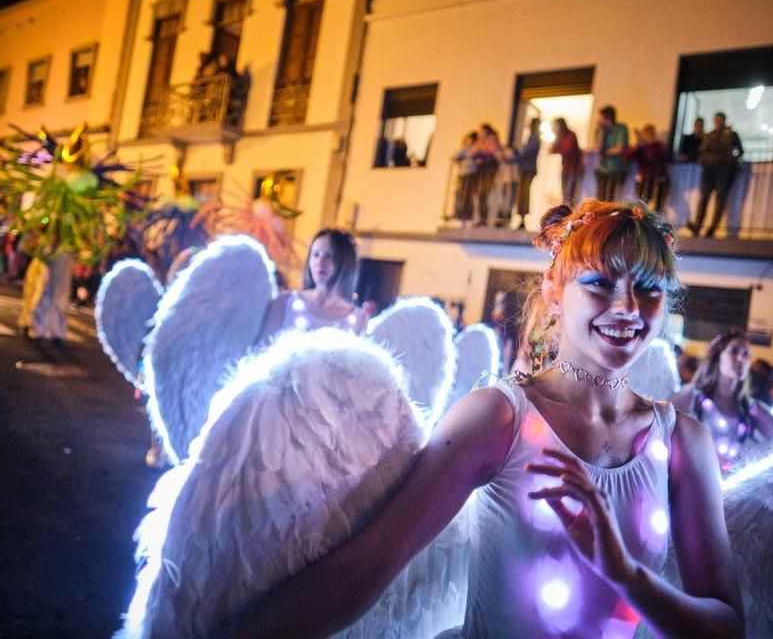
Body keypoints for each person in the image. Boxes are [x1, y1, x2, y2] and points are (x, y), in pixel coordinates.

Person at [238, 200, 744, 638]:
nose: (628, 307)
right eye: (601, 282)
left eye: (650, 287)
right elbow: (364, 568)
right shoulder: (499, 418)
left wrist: (627, 575)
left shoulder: (682, 443)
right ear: (554, 291)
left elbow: (726, 627)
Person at [672, 328, 773, 473]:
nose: (741, 358)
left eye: (746, 354)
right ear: (717, 356)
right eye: (734, 351)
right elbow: (661, 428)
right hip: (693, 481)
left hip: (733, 487)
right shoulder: (692, 396)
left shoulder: (750, 407)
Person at [257, 228, 371, 342]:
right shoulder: (285, 302)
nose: (320, 262)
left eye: (329, 256)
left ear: (345, 261)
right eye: (315, 255)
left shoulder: (358, 318)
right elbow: (262, 349)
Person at [689, 112, 743, 237]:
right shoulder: (710, 135)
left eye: (720, 120)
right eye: (716, 120)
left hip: (724, 169)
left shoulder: (731, 135)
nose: (718, 122)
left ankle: (712, 228)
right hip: (709, 169)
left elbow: (740, 151)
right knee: (704, 198)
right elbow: (702, 150)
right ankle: (697, 226)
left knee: (720, 198)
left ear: (724, 120)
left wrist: (732, 159)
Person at [627, 124, 670, 213]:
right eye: (647, 134)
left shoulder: (660, 146)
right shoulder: (641, 146)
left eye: (651, 134)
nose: (650, 136)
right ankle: (642, 222)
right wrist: (637, 144)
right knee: (642, 204)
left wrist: (643, 144)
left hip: (658, 180)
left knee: (658, 206)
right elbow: (627, 157)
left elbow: (652, 157)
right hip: (643, 180)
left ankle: (656, 224)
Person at [594, 105, 629, 201]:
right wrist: (601, 131)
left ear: (607, 118)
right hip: (602, 169)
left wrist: (604, 153)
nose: (598, 119)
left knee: (611, 199)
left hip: (616, 169)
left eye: (600, 117)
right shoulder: (600, 131)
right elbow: (598, 148)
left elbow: (619, 149)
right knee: (600, 198)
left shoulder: (621, 129)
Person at [470, 124, 503, 227]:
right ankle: (480, 218)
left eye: (481, 131)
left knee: (484, 193)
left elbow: (493, 152)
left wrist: (482, 157)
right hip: (482, 170)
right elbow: (473, 151)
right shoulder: (480, 141)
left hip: (488, 169)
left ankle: (484, 219)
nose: (480, 134)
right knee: (480, 194)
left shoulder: (491, 139)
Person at [513, 117, 542, 229]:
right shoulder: (533, 137)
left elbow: (527, 152)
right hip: (526, 168)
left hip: (527, 169)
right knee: (522, 193)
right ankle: (522, 215)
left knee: (524, 193)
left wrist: (516, 152)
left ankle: (523, 216)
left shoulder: (534, 137)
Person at [550, 117, 582, 206]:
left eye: (555, 125)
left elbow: (568, 150)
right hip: (565, 168)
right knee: (564, 193)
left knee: (569, 194)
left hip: (573, 168)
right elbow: (553, 150)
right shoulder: (559, 137)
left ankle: (569, 213)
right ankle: (566, 213)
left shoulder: (571, 135)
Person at [452, 131, 478, 224]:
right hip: (463, 174)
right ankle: (460, 214)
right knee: (461, 194)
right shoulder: (465, 149)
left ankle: (467, 215)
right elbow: (457, 156)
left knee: (467, 194)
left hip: (470, 174)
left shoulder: (475, 148)